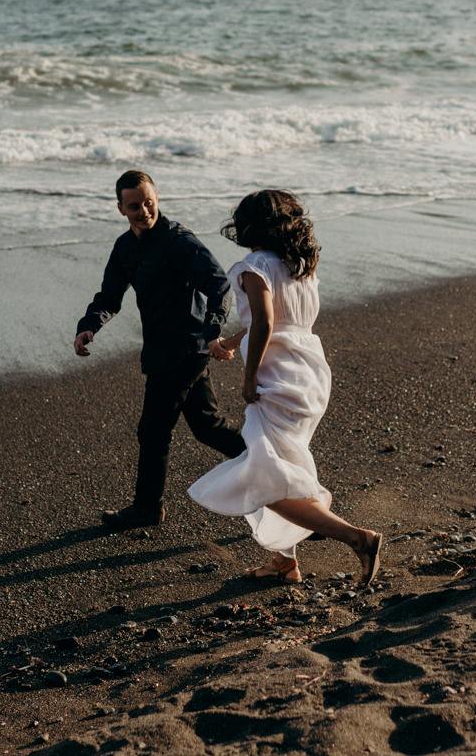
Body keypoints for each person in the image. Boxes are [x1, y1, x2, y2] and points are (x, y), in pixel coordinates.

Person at [188, 190, 382, 587]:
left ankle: (357, 538)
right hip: (310, 373)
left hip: (278, 378)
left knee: (264, 477)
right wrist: (231, 341)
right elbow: (280, 319)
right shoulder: (298, 267)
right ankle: (284, 563)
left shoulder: (251, 267)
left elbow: (265, 323)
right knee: (278, 466)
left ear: (247, 226)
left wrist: (248, 375)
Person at [74, 169, 246, 530]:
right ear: (120, 208)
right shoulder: (125, 248)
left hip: (187, 350)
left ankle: (148, 508)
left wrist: (213, 331)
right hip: (159, 351)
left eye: (149, 203)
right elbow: (109, 296)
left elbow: (219, 287)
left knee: (153, 430)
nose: (144, 211)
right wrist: (89, 325)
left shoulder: (180, 242)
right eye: (134, 206)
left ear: (157, 200)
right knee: (208, 428)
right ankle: (279, 475)